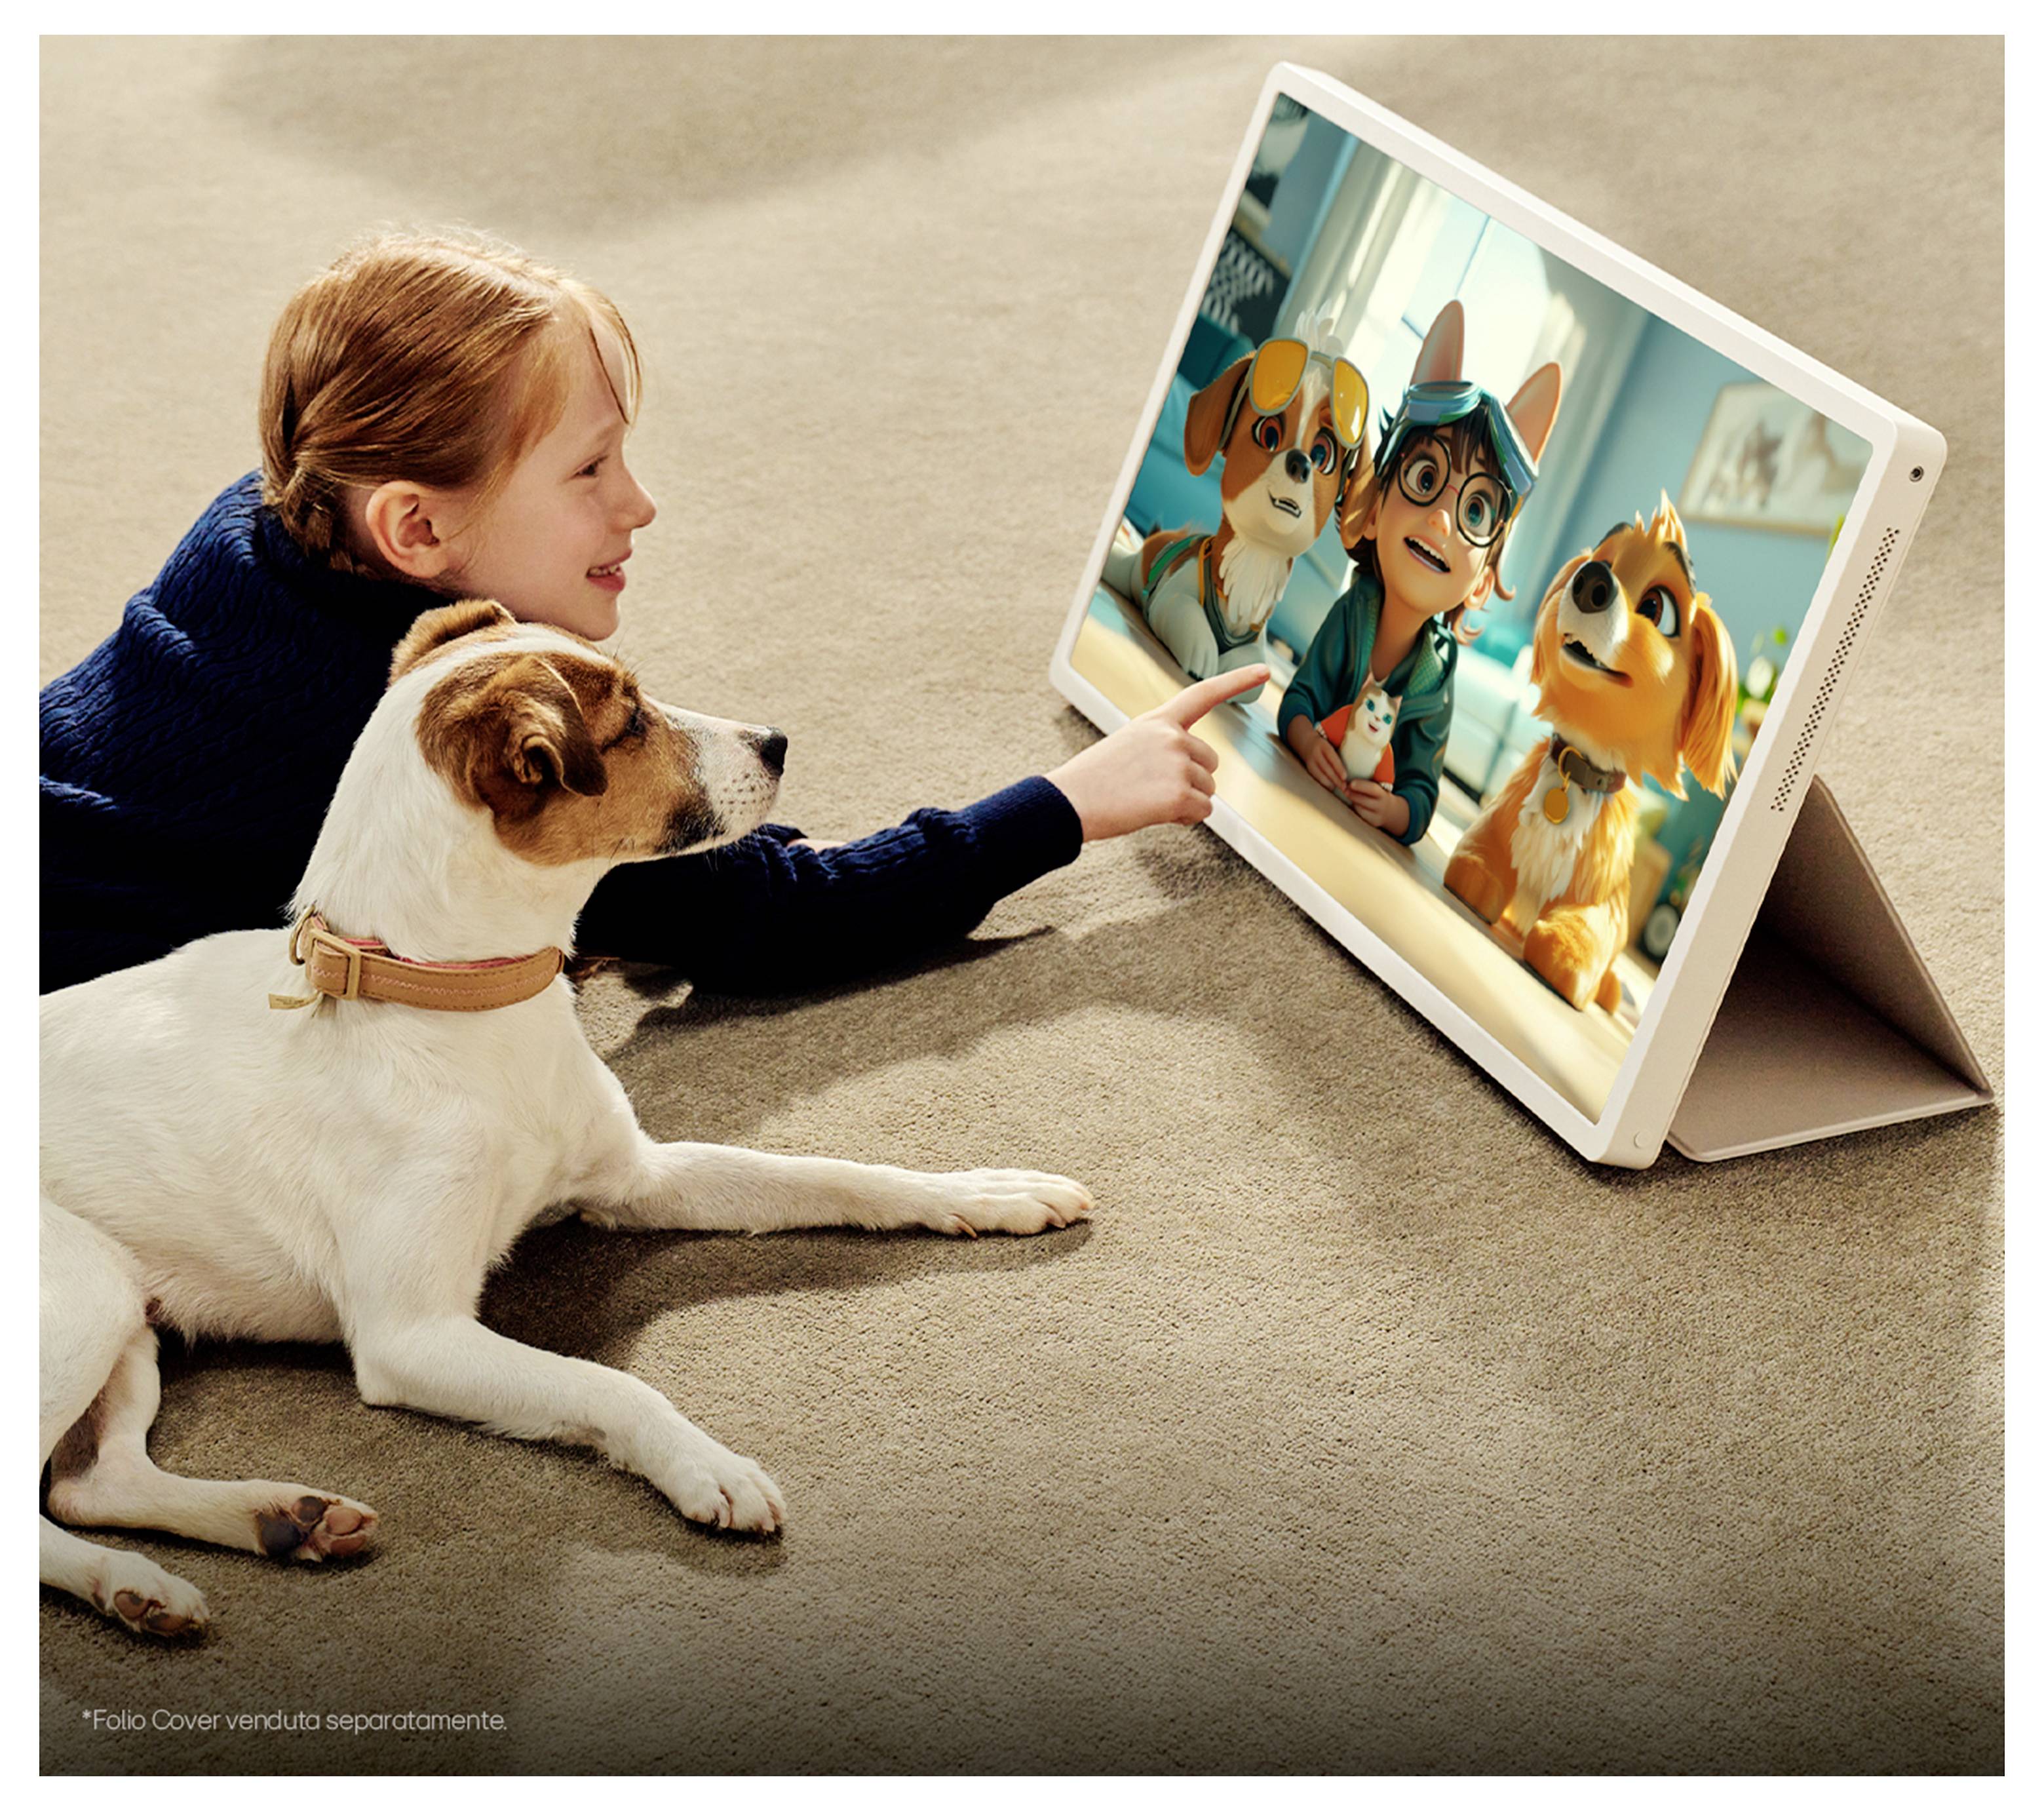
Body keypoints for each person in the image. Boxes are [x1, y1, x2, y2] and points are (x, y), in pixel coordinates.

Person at [41, 230, 1260, 994]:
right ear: (415, 529)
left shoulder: (266, 519)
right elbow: (771, 922)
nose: (641, 503)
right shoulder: (450, 744)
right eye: (587, 473)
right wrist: (1064, 804)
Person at [1279, 302, 1562, 847]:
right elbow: (1298, 697)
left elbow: (1422, 791)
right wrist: (1304, 740)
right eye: (1425, 476)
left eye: (1474, 511)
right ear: (1377, 501)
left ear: (1482, 580)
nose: (1440, 518)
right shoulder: (1353, 611)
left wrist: (1394, 811)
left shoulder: (1437, 671)